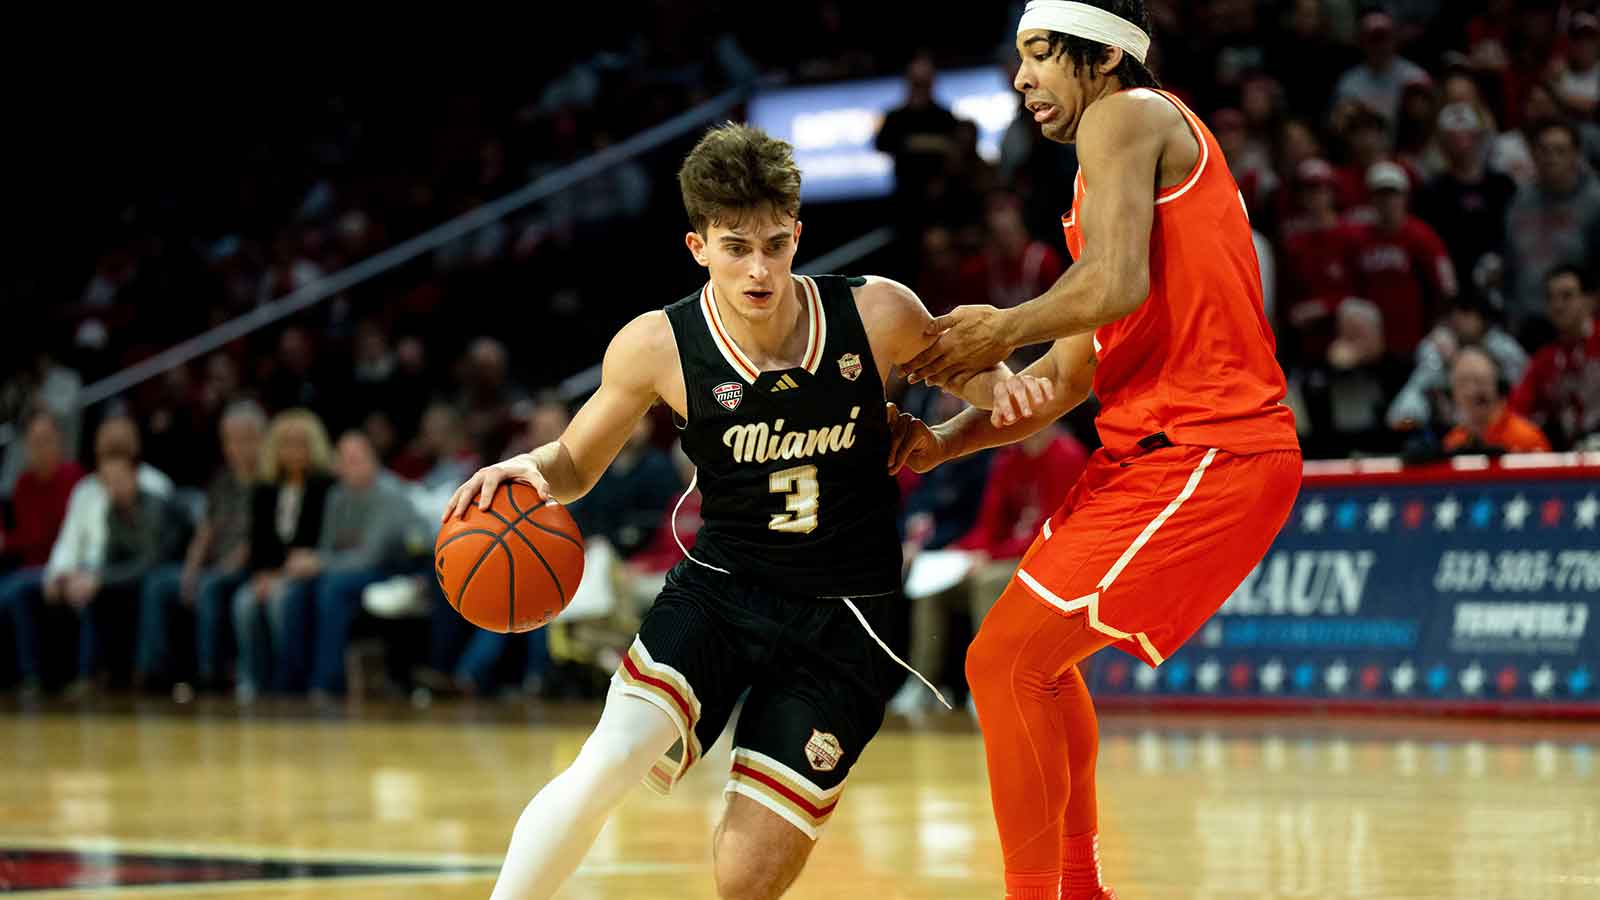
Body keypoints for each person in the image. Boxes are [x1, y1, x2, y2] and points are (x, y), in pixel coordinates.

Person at [442, 122, 1033, 900]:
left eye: (775, 245)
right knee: (607, 762)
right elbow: (576, 465)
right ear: (697, 247)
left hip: (846, 616)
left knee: (745, 878)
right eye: (735, 248)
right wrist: (530, 466)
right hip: (722, 591)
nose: (759, 268)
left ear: (798, 235)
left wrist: (980, 404)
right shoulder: (658, 345)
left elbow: (999, 391)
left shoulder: (876, 312)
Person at [897, 3, 1302, 897]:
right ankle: (1078, 889)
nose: (1021, 79)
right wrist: (941, 443)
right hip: (1147, 455)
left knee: (1005, 663)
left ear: (1105, 55)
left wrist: (999, 326)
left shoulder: (1127, 114)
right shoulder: (1102, 181)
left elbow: (1114, 283)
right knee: (1034, 665)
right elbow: (1067, 375)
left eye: (1041, 54)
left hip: (1209, 446)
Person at [276, 430, 423, 699]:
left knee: (332, 587)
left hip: (393, 570)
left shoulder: (389, 495)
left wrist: (317, 562)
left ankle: (326, 682)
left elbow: (370, 556)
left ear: (373, 460)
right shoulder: (337, 496)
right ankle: (290, 684)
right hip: (348, 570)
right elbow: (328, 546)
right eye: (343, 460)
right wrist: (310, 563)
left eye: (356, 459)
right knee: (297, 591)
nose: (349, 467)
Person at [135, 400, 265, 691]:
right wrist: (190, 570)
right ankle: (155, 672)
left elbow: (256, 539)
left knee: (210, 587)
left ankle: (210, 674)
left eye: (241, 439)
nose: (234, 448)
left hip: (247, 567)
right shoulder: (222, 480)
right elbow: (205, 531)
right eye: (228, 440)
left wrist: (223, 568)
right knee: (158, 583)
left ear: (259, 439)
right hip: (214, 566)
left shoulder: (267, 480)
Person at [233, 409, 334, 701]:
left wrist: (287, 572)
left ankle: (288, 678)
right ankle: (252, 680)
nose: (294, 451)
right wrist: (263, 575)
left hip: (305, 571)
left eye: (301, 443)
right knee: (244, 603)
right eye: (287, 444)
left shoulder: (325, 488)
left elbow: (323, 539)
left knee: (281, 602)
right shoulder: (265, 489)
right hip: (268, 572)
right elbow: (258, 542)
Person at [0, 412, 84, 693]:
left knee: (15, 590)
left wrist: (8, 542)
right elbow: (27, 537)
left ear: (59, 441)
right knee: (15, 588)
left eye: (46, 440)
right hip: (29, 568)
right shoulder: (24, 483)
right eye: (34, 442)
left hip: (64, 566)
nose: (40, 448)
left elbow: (51, 537)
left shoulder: (74, 477)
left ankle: (31, 675)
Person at [1349, 160, 1458, 360]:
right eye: (1380, 195)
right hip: (1374, 345)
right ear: (1371, 200)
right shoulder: (1359, 240)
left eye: (1393, 194)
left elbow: (1446, 287)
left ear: (1405, 197)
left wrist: (1438, 327)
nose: (1387, 202)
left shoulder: (1423, 237)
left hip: (1416, 340)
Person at [1504, 120, 1600, 338]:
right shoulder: (1520, 201)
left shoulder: (1595, 202)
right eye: (1544, 150)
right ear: (1533, 155)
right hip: (1527, 321)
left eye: (1560, 151)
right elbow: (1509, 263)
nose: (1551, 158)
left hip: (1579, 326)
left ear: (1576, 155)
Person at [1508, 265, 1600, 449]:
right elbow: (1515, 412)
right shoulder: (1545, 360)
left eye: (1567, 296)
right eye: (1551, 298)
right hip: (1569, 456)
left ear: (1591, 300)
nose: (1558, 306)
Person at [1442, 346, 1551, 454]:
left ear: (1497, 386)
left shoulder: (1527, 439)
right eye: (1463, 383)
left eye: (1480, 381)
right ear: (1453, 393)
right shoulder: (1453, 443)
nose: (1471, 391)